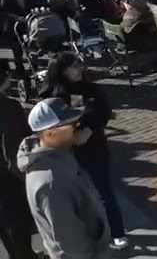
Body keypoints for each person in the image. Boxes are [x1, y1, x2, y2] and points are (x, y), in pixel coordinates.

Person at [37, 54, 129, 249]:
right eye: (72, 67)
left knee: (104, 191)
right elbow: (47, 125)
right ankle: (90, 233)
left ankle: (117, 232)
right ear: (61, 71)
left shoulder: (90, 89)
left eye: (78, 65)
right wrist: (69, 134)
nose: (79, 69)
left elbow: (102, 110)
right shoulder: (51, 97)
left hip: (94, 147)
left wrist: (90, 128)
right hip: (67, 150)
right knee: (78, 195)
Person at [17, 97, 111, 259]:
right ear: (51, 133)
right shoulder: (51, 182)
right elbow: (70, 241)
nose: (77, 126)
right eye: (71, 124)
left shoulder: (58, 152)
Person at [0, 65, 37, 259]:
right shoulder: (8, 108)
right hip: (8, 180)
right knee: (17, 225)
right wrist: (27, 179)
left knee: (6, 230)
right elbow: (12, 151)